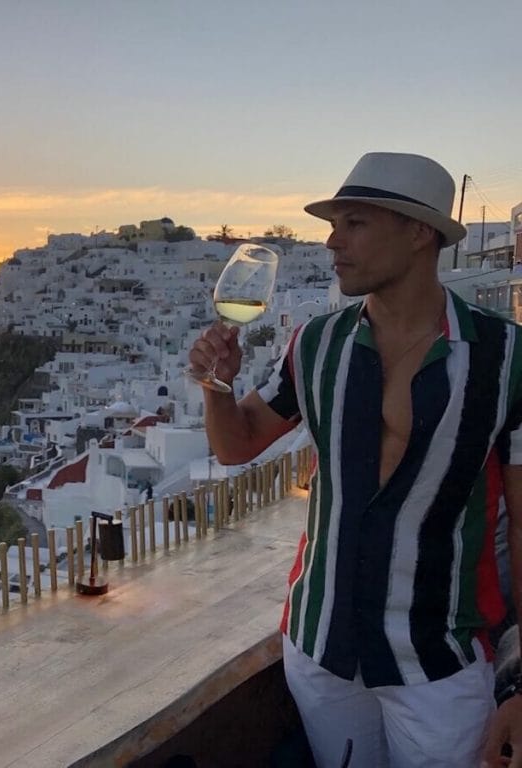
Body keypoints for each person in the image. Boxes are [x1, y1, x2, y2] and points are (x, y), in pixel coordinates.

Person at [187, 152, 522, 768]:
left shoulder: (507, 361)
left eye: (355, 224)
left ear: (419, 233)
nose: (331, 242)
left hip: (439, 661)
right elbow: (237, 445)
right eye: (333, 224)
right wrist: (215, 384)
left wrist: (519, 679)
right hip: (321, 650)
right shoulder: (315, 344)